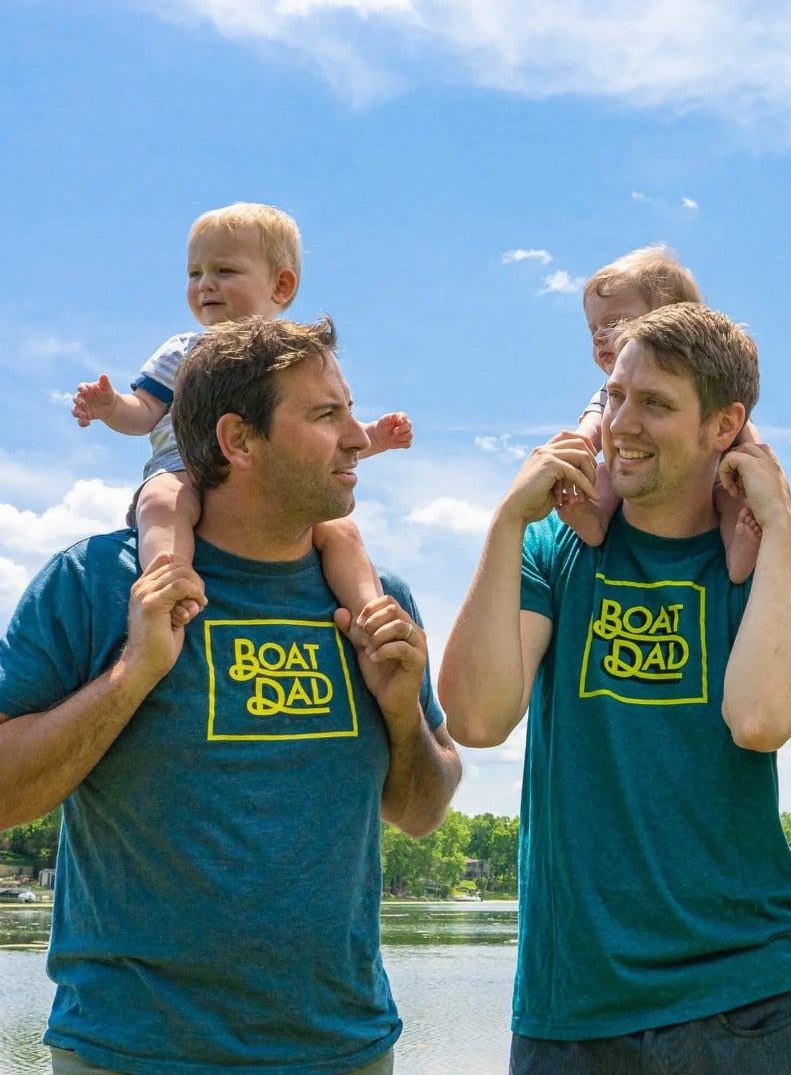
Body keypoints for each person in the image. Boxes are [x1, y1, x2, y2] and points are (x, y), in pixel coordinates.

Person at [0, 315, 461, 1074]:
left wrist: (403, 710)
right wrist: (132, 675)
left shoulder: (381, 602)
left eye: (350, 410)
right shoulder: (93, 586)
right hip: (130, 1053)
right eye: (325, 415)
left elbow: (420, 810)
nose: (356, 438)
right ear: (239, 441)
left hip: (343, 1050)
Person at [440, 302, 791, 1074]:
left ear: (725, 427)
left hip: (741, 1002)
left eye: (655, 404)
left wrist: (780, 525)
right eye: (616, 396)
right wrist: (508, 523)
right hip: (571, 1007)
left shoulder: (777, 569)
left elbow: (759, 719)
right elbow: (478, 718)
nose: (621, 423)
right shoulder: (555, 551)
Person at [71, 201, 412, 626]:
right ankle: (167, 588)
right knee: (161, 501)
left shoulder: (299, 360)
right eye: (195, 274)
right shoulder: (183, 351)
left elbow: (327, 437)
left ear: (281, 286)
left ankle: (368, 616)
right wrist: (111, 407)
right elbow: (143, 413)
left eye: (224, 271)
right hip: (181, 469)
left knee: (339, 529)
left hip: (275, 488)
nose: (205, 285)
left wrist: (376, 435)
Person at [556, 244, 763, 582]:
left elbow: (751, 446)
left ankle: (738, 548)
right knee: (606, 474)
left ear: (670, 316)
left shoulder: (711, 390)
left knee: (735, 498)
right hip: (639, 476)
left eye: (614, 322)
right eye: (592, 328)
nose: (598, 338)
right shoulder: (610, 389)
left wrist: (758, 472)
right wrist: (576, 448)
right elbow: (594, 427)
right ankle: (594, 518)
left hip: (712, 482)